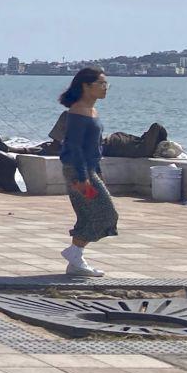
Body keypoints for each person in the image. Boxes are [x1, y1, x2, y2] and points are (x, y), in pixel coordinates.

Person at [59, 67, 116, 275]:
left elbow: (94, 148)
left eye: (106, 84)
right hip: (78, 173)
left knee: (88, 214)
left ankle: (75, 262)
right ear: (86, 86)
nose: (105, 88)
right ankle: (74, 253)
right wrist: (83, 178)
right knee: (106, 214)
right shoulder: (78, 112)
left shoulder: (92, 111)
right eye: (101, 83)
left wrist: (97, 173)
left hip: (88, 171)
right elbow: (74, 147)